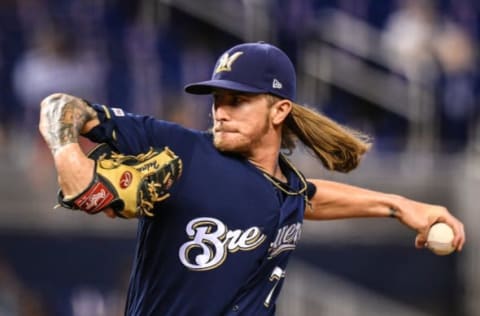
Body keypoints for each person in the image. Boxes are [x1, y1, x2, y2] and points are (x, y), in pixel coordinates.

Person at [38, 42, 465, 316]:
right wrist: (66, 151)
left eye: (238, 101)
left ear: (279, 110)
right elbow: (61, 105)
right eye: (218, 99)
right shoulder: (180, 149)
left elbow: (308, 197)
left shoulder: (287, 188)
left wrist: (398, 206)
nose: (221, 110)